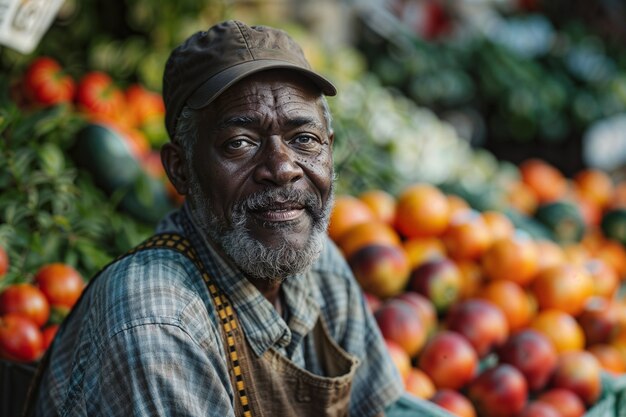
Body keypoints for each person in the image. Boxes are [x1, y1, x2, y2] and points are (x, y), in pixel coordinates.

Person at [31, 19, 452, 417]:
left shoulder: (322, 269)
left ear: (330, 149)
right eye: (240, 143)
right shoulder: (158, 323)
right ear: (180, 169)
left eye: (304, 139)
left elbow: (380, 407)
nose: (282, 167)